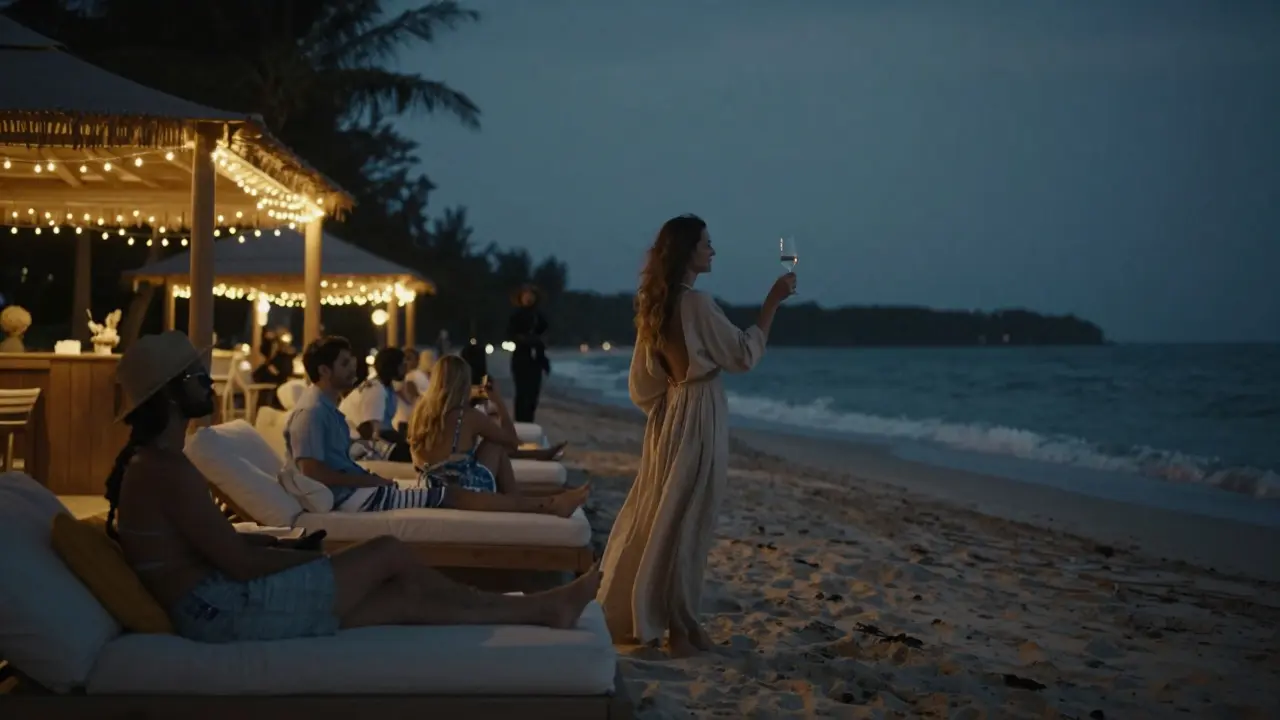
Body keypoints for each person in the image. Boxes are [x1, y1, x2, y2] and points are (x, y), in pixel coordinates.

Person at [101, 331, 601, 643]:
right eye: (195, 376)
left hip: (220, 602)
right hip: (223, 613)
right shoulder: (165, 469)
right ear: (168, 395)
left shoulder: (158, 465)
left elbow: (221, 548)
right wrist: (320, 562)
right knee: (384, 554)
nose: (208, 383)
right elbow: (237, 563)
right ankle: (534, 605)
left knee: (404, 600)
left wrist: (274, 542)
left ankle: (539, 609)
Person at [597, 214, 795, 656]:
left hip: (671, 415)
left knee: (668, 517)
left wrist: (670, 406)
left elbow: (642, 384)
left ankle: (680, 623)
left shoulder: (656, 304)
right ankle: (682, 628)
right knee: (690, 522)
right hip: (700, 414)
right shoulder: (696, 304)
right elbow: (743, 354)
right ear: (687, 252)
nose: (713, 250)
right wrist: (772, 303)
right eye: (706, 243)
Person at [287, 335, 589, 517]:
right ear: (324, 370)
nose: (354, 367)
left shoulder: (327, 410)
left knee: (450, 493)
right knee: (451, 496)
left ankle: (539, 504)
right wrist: (368, 481)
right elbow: (311, 472)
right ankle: (546, 506)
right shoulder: (311, 413)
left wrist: (370, 478)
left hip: (362, 492)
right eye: (344, 363)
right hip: (353, 498)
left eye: (351, 361)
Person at [338, 347, 412, 462]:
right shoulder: (375, 390)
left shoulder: (386, 387)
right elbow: (369, 430)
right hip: (353, 443)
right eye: (402, 364)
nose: (406, 368)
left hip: (363, 441)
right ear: (392, 366)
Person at [506, 285, 551, 422]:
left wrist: (544, 362)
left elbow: (545, 336)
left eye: (531, 294)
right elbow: (510, 334)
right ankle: (520, 421)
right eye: (525, 294)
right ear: (520, 297)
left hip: (536, 359)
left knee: (533, 394)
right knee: (521, 392)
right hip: (520, 357)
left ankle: (529, 420)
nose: (528, 297)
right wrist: (526, 339)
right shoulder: (515, 316)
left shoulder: (540, 316)